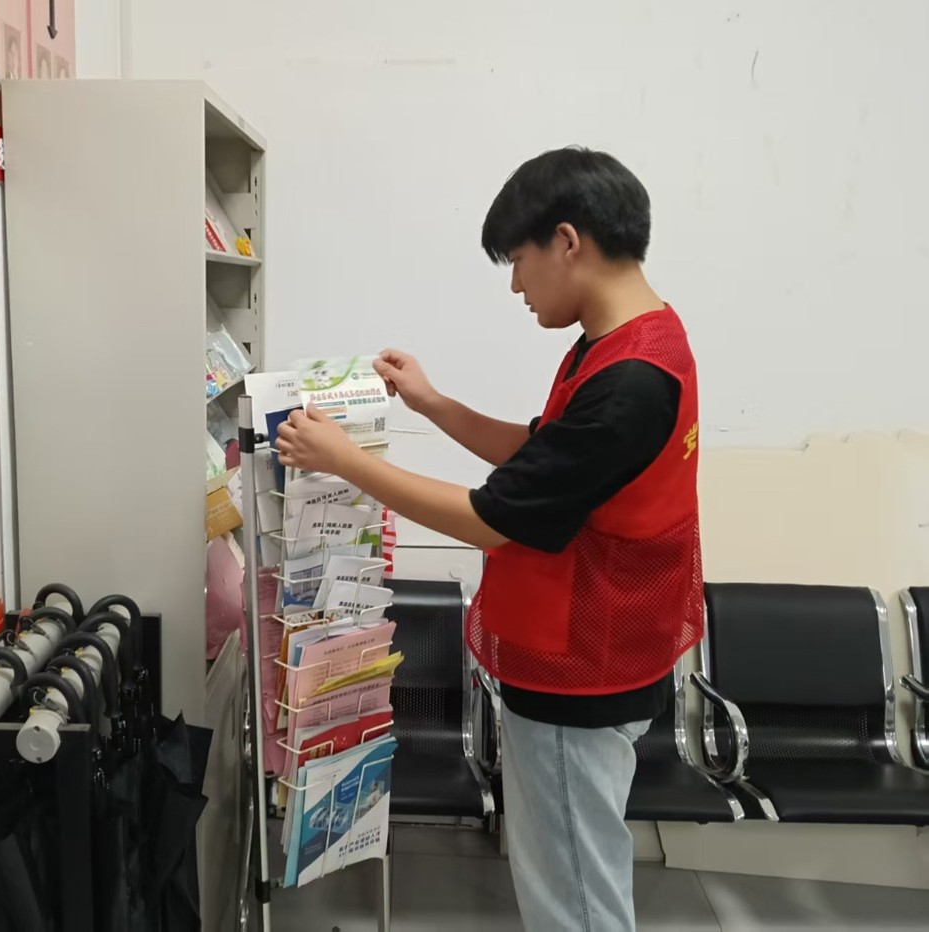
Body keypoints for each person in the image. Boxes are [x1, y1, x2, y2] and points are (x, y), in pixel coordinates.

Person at [275, 147, 702, 932]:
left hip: (582, 671)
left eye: (517, 261)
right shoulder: (632, 342)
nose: (516, 286)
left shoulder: (630, 382)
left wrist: (346, 462)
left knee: (574, 900)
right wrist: (433, 403)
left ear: (566, 242)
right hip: (595, 651)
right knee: (573, 877)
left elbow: (493, 516)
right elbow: (543, 454)